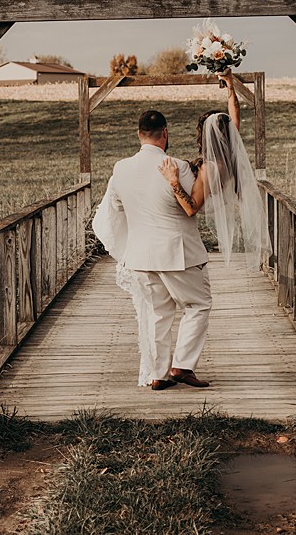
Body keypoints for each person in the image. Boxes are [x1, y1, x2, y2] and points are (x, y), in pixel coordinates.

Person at [92, 110, 214, 390]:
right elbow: (191, 208)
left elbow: (117, 207)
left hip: (140, 256)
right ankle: (182, 366)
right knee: (199, 304)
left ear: (139, 134)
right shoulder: (178, 166)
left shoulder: (120, 168)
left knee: (159, 314)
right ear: (165, 133)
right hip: (178, 253)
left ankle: (158, 374)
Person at [157, 69, 270, 268]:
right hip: (218, 197)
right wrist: (230, 85)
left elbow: (192, 207)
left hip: (204, 204)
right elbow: (235, 117)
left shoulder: (209, 169)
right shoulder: (230, 154)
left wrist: (173, 181)